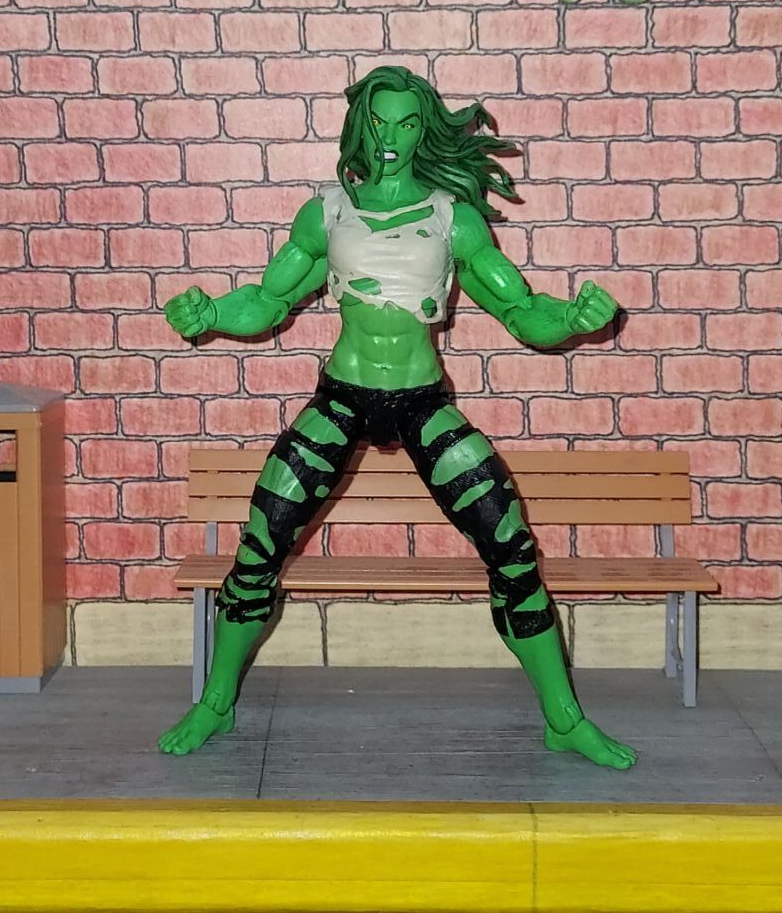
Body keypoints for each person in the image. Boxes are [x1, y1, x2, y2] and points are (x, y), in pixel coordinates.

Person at [158, 66, 636, 769]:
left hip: (421, 402)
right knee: (260, 544)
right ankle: (216, 702)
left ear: (423, 130)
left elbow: (519, 308)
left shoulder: (452, 218)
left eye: (406, 122)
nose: (390, 135)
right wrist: (211, 315)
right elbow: (268, 298)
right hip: (343, 396)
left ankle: (564, 719)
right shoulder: (328, 212)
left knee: (510, 546)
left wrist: (571, 320)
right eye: (378, 120)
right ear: (361, 124)